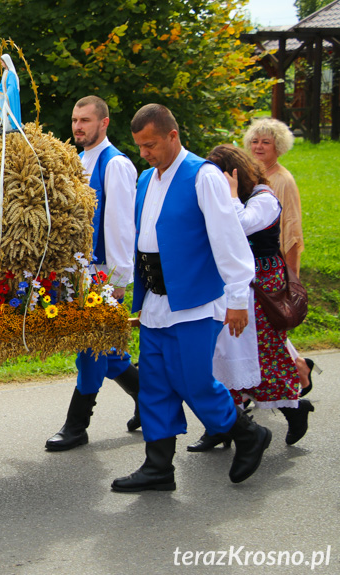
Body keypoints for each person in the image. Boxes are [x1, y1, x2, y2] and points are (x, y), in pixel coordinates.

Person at [112, 104, 272, 493]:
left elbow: (229, 240)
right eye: (139, 146)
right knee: (154, 385)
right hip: (155, 302)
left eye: (150, 144)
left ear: (172, 135)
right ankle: (158, 467)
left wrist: (237, 298)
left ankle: (247, 433)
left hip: (197, 302)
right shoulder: (147, 180)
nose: (144, 153)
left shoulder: (204, 176)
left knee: (194, 382)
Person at [187, 145, 312, 450]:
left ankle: (294, 409)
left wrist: (229, 195)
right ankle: (220, 426)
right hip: (227, 284)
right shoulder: (232, 199)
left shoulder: (264, 198)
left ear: (234, 175)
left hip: (262, 287)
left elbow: (238, 225)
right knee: (220, 355)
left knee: (261, 356)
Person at [45, 96, 140, 452]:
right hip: (77, 272)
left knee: (92, 350)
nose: (78, 127)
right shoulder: (79, 160)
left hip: (103, 274)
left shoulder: (115, 165)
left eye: (86, 120)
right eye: (74, 120)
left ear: (104, 123)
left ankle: (76, 425)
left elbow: (120, 227)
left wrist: (115, 282)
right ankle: (148, 399)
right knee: (108, 351)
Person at [244, 118, 317, 396]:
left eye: (266, 142)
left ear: (279, 147)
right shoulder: (252, 173)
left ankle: (297, 370)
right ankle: (295, 368)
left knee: (269, 324)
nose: (259, 146)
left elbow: (291, 231)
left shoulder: (282, 180)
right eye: (255, 141)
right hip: (253, 263)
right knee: (263, 326)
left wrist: (290, 276)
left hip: (271, 265)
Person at [0, 54, 22, 131]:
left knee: (10, 111)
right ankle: (6, 125)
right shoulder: (5, 72)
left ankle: (11, 125)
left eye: (2, 62)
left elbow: (12, 86)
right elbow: (2, 84)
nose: (1, 64)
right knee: (3, 110)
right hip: (6, 96)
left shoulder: (11, 74)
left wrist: (7, 95)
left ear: (6, 62)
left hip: (10, 97)